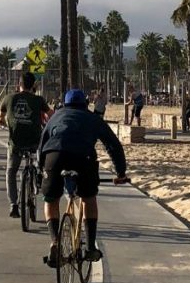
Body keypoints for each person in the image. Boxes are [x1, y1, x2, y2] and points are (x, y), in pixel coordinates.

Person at [39, 89, 129, 265]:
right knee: (88, 198)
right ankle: (90, 248)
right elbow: (113, 145)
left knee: (51, 200)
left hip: (54, 156)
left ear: (64, 104)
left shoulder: (56, 117)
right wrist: (120, 173)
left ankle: (55, 242)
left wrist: (41, 170)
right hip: (83, 157)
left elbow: (42, 144)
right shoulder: (92, 118)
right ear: (85, 104)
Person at [0, 72, 50, 218]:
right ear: (33, 85)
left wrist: (2, 123)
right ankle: (38, 174)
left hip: (16, 143)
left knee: (11, 172)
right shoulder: (38, 100)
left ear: (19, 84)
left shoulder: (9, 98)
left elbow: (0, 118)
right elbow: (51, 114)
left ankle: (14, 204)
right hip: (34, 141)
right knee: (40, 155)